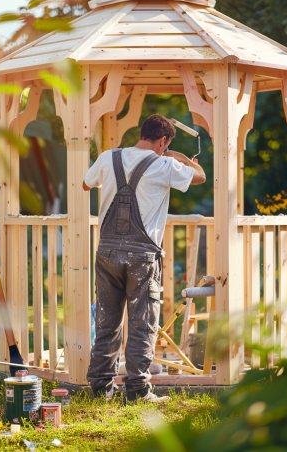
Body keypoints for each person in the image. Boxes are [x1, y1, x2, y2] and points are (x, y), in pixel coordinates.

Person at [83, 114, 206, 402]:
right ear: (163, 141)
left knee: (106, 320)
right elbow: (199, 177)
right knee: (142, 323)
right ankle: (137, 390)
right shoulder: (165, 164)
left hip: (107, 253)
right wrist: (176, 155)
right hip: (142, 257)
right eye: (166, 145)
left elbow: (87, 184)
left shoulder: (108, 157)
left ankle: (100, 388)